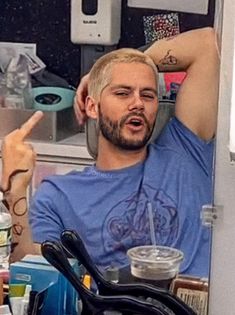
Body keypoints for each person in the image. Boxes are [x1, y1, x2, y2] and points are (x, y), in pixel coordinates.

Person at [1, 27, 219, 277]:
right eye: (122, 93)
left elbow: (206, 44)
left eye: (147, 95)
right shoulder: (60, 195)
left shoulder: (185, 148)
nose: (137, 103)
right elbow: (33, 275)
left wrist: (109, 67)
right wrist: (15, 190)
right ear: (92, 106)